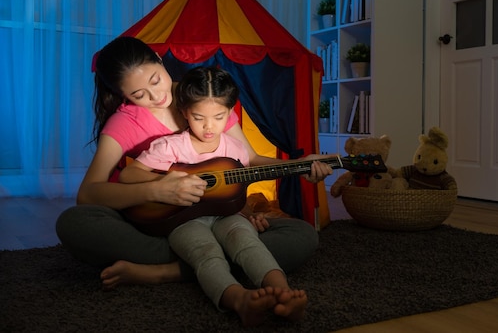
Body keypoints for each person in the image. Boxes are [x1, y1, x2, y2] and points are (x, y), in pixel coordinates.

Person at [56, 36, 332, 290]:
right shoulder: (126, 121)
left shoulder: (204, 98)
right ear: (123, 95)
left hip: (215, 215)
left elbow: (249, 160)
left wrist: (300, 165)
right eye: (138, 95)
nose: (155, 97)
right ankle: (217, 259)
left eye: (155, 80)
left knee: (302, 235)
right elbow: (88, 192)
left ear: (158, 58)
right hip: (159, 222)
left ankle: (167, 270)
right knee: (74, 223)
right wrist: (157, 189)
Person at [119, 66, 306, 325]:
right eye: (198, 117)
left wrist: (249, 214)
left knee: (248, 241)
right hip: (182, 218)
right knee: (207, 253)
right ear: (184, 112)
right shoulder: (171, 146)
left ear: (230, 113)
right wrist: (167, 181)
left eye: (218, 117)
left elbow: (234, 190)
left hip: (226, 215)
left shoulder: (235, 149)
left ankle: (284, 294)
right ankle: (238, 299)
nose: (209, 127)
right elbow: (129, 176)